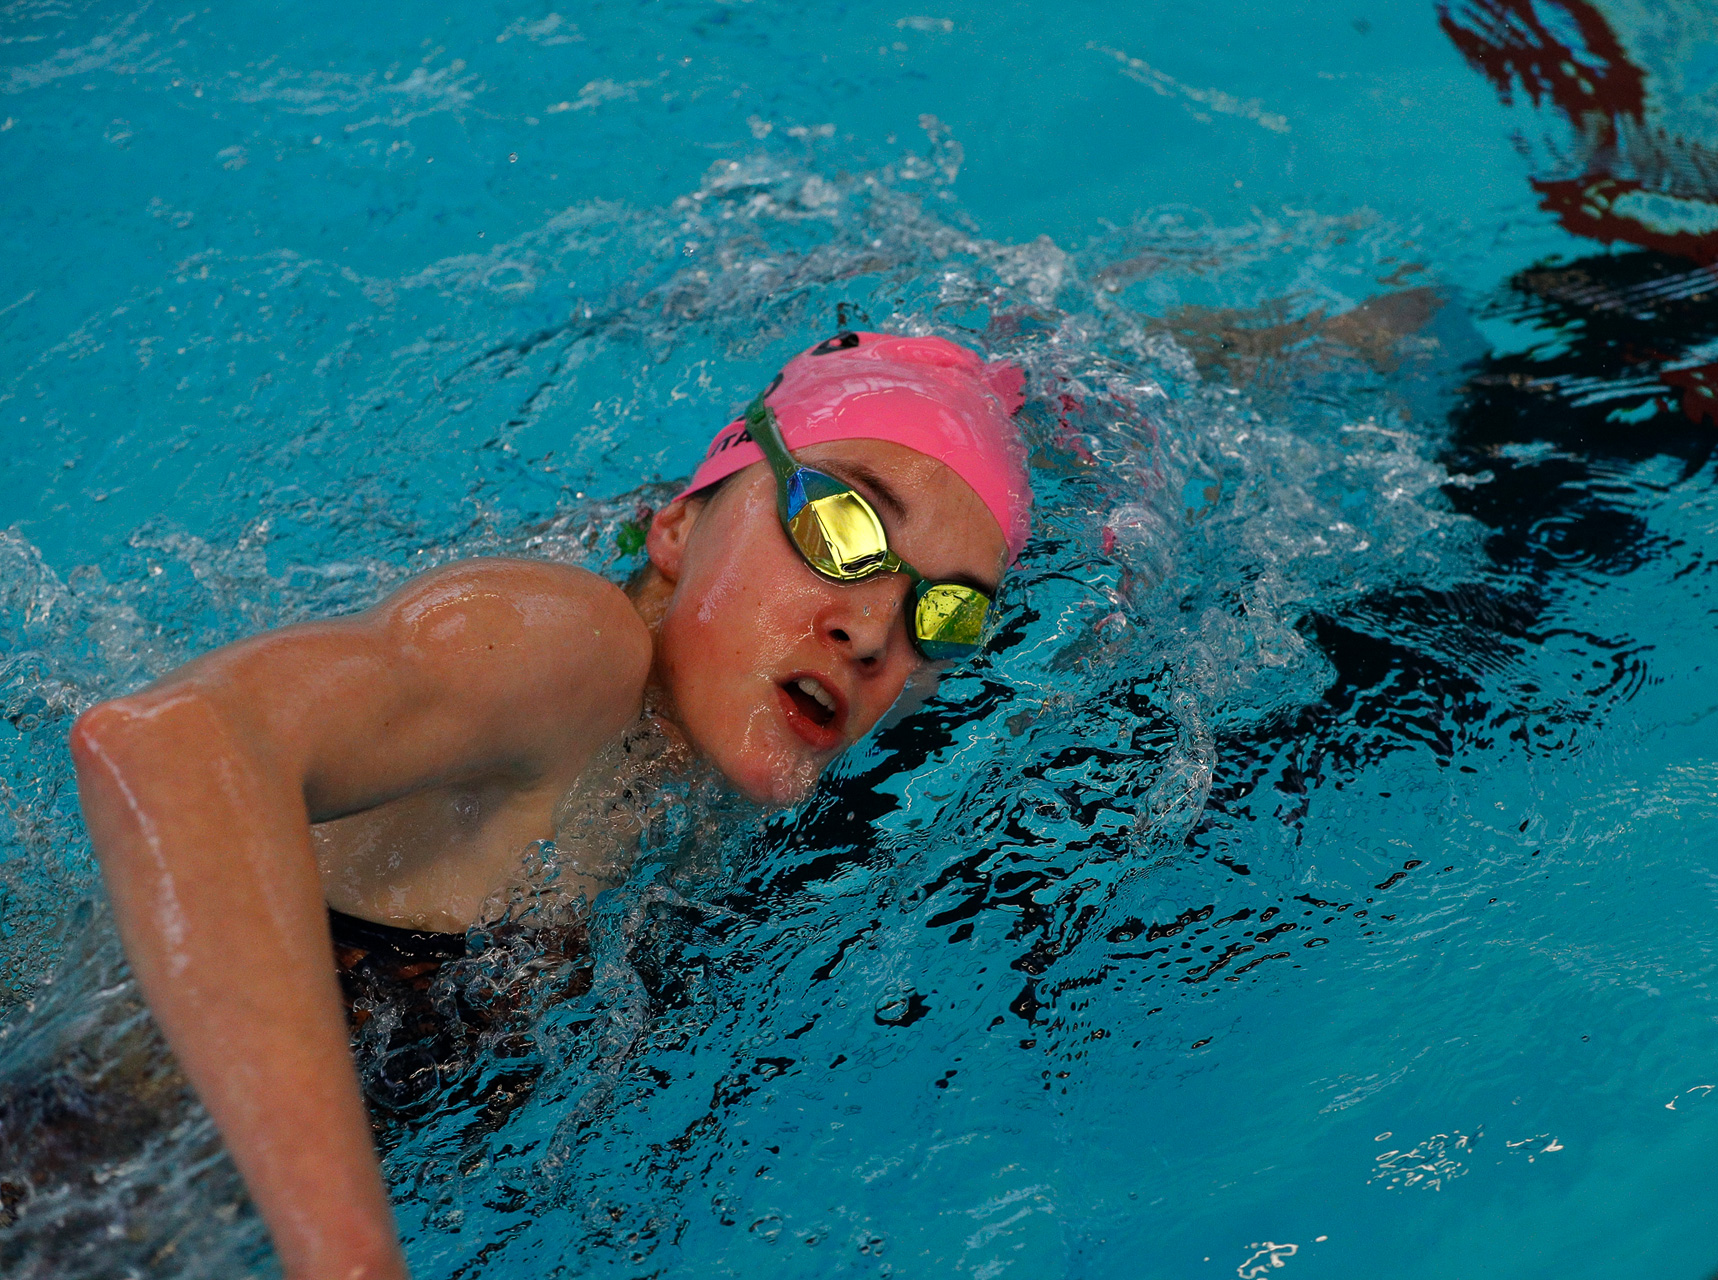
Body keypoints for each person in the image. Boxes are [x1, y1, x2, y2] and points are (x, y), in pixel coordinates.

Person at [66, 330, 1031, 1280]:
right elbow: (173, 740)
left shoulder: (712, 817)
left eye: (945, 614)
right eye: (841, 529)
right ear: (678, 526)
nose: (875, 632)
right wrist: (347, 1259)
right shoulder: (568, 650)